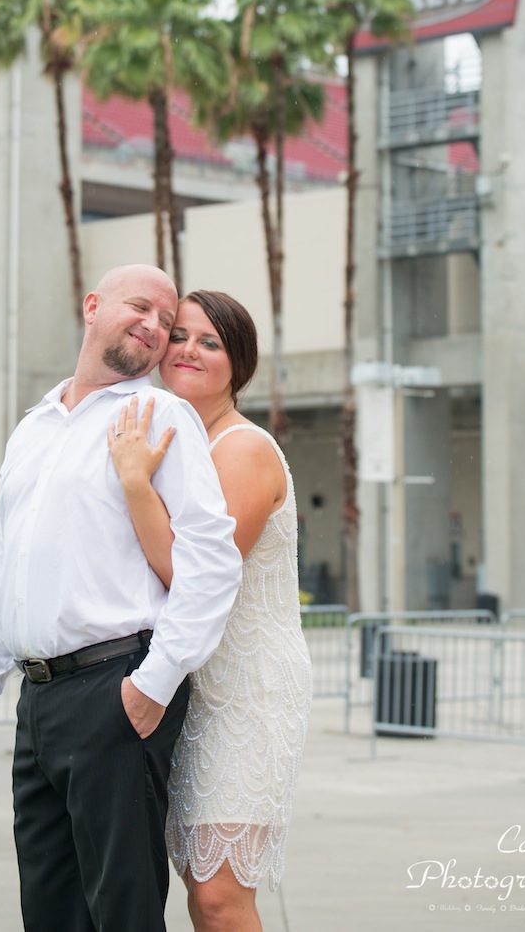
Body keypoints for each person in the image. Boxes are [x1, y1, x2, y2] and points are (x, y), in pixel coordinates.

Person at [0, 265, 242, 932]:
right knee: (49, 908)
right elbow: (3, 578)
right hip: (39, 700)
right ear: (93, 305)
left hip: (118, 689)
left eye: (165, 320)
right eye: (141, 306)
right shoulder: (31, 430)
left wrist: (153, 683)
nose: (154, 326)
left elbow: (211, 563)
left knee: (123, 911)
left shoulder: (161, 415)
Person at [107, 290, 312, 932]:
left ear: (238, 365)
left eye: (211, 341)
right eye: (180, 336)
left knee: (221, 899)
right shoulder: (178, 441)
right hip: (187, 689)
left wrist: (135, 483)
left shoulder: (242, 450)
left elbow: (189, 577)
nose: (188, 350)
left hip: (247, 695)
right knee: (199, 893)